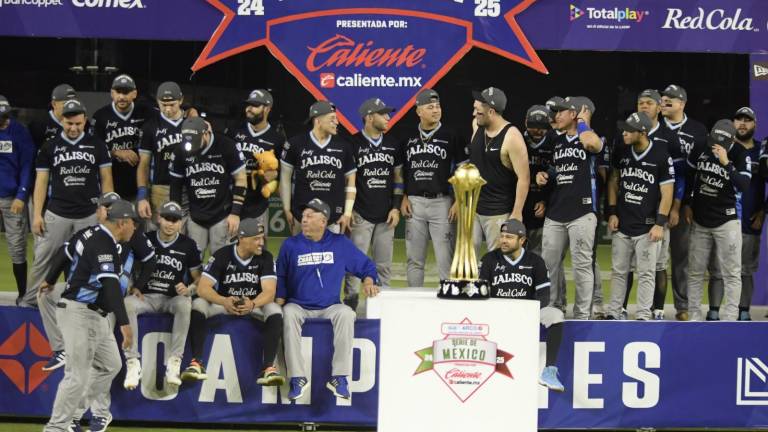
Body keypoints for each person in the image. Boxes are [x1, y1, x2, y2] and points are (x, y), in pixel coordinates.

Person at [43, 200, 137, 432]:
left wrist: (51, 278)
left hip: (97, 316)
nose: (135, 227)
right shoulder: (103, 243)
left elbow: (65, 252)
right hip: (79, 313)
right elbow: (111, 286)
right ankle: (56, 428)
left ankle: (73, 412)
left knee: (111, 365)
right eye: (133, 223)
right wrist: (124, 324)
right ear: (122, 223)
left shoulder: (92, 235)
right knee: (76, 376)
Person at [38, 192, 154, 373]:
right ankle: (61, 349)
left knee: (97, 362)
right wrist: (49, 280)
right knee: (46, 295)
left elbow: (150, 260)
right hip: (82, 294)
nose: (104, 211)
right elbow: (65, 252)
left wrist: (139, 285)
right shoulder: (90, 233)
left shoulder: (131, 234)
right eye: (103, 207)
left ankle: (131, 362)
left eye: (106, 207)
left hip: (109, 297)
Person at [276, 198, 380, 401]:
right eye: (303, 216)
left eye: (309, 216)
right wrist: (280, 301)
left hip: (330, 305)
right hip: (298, 305)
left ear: (323, 221)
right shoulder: (290, 245)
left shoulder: (339, 243)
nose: (304, 220)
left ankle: (340, 377)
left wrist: (368, 281)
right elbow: (280, 276)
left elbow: (367, 265)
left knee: (347, 314)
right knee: (288, 314)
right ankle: (297, 377)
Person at [21, 99, 114, 307]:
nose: (73, 128)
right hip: (57, 213)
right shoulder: (49, 146)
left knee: (88, 261)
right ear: (62, 120)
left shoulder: (97, 145)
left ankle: (81, 303)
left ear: (85, 121)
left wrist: (107, 208)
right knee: (43, 259)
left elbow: (107, 179)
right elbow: (42, 182)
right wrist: (37, 214)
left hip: (89, 214)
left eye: (78, 124)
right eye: (69, 123)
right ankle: (29, 303)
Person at [183, 218, 284, 386]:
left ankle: (268, 368)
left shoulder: (265, 257)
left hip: (253, 305)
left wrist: (252, 304)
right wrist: (224, 301)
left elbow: (269, 292)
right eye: (256, 238)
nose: (261, 243)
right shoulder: (222, 255)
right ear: (242, 238)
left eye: (262, 238)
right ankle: (196, 363)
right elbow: (203, 288)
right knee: (199, 304)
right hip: (225, 304)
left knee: (274, 309)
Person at [478, 219, 565, 392]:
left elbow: (544, 295)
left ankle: (548, 372)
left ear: (522, 240)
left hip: (528, 312)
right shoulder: (489, 259)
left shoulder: (535, 261)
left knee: (556, 315)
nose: (503, 240)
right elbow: (482, 293)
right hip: (496, 313)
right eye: (502, 236)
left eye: (509, 237)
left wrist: (526, 313)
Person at [123, 201, 202, 389]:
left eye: (175, 220)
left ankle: (175, 362)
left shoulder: (188, 245)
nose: (170, 224)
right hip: (146, 298)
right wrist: (133, 285)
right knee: (127, 303)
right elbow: (128, 264)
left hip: (171, 299)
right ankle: (132, 363)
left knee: (185, 304)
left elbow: (199, 279)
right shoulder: (144, 238)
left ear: (181, 223)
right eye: (167, 218)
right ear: (159, 218)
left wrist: (189, 289)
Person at [536, 97, 603, 320]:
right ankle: (552, 308)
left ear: (574, 114)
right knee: (549, 265)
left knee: (582, 265)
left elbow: (593, 144)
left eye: (560, 112)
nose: (555, 116)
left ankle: (582, 314)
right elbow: (557, 170)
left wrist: (584, 122)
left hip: (582, 212)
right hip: (556, 211)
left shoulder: (590, 137)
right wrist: (544, 175)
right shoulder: (556, 140)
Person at [606, 112, 674, 320]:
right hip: (623, 224)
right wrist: (612, 212)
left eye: (629, 130)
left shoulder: (661, 155)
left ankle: (644, 314)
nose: (624, 133)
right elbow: (613, 181)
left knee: (646, 273)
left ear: (642, 132)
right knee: (618, 272)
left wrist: (660, 223)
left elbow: (667, 192)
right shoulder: (622, 151)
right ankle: (614, 312)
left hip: (647, 227)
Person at [684, 120, 750, 321]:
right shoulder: (701, 145)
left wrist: (726, 163)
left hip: (727, 220)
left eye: (720, 142)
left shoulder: (740, 153)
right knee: (695, 271)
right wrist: (687, 203)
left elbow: (744, 184)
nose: (715, 144)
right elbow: (689, 176)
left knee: (731, 272)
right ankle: (694, 315)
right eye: (713, 140)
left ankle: (730, 318)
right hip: (700, 219)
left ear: (731, 140)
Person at [401, 89, 468, 286]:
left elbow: (463, 171)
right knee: (414, 259)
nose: (436, 110)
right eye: (430, 107)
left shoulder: (452, 135)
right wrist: (404, 196)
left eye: (438, 106)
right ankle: (414, 299)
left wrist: (458, 201)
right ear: (418, 111)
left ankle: (448, 300)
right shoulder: (408, 137)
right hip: (415, 202)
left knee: (445, 258)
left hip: (443, 203)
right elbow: (403, 170)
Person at [344, 97, 403, 312]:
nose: (388, 117)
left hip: (386, 215)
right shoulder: (352, 143)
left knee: (383, 267)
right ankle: (350, 307)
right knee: (353, 267)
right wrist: (349, 211)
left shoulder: (393, 144)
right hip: (361, 214)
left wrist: (396, 206)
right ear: (369, 117)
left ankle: (382, 310)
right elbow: (347, 181)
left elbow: (398, 178)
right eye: (383, 113)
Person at [708, 107, 764, 321]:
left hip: (749, 219)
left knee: (745, 269)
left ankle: (743, 312)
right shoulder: (722, 148)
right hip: (721, 218)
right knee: (717, 269)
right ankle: (714, 311)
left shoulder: (761, 150)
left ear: (754, 124)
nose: (742, 123)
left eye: (747, 120)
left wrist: (763, 210)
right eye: (738, 119)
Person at [659, 84, 708, 321]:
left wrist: (685, 204)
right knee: (653, 260)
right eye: (664, 98)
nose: (666, 101)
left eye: (672, 99)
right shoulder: (653, 126)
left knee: (681, 257)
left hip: (684, 201)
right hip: (653, 201)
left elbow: (696, 173)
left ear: (683, 103)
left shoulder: (698, 130)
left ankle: (683, 305)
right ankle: (653, 307)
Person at [169, 116, 247, 257]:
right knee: (192, 260)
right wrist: (176, 216)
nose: (191, 146)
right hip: (195, 216)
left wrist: (235, 212)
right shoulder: (180, 151)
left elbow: (241, 178)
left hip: (222, 215)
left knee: (221, 259)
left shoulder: (226, 145)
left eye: (195, 141)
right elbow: (176, 186)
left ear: (206, 133)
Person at [280, 100, 356, 235]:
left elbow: (351, 180)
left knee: (332, 256)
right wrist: (286, 208)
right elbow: (285, 178)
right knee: (302, 255)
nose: (337, 122)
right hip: (302, 216)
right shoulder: (295, 144)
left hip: (334, 219)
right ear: (318, 120)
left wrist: (348, 213)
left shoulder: (344, 146)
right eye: (332, 119)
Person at [470, 87, 529, 252]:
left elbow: (524, 178)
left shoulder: (512, 137)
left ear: (491, 112)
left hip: (498, 211)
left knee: (497, 260)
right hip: (472, 209)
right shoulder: (476, 125)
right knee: (467, 260)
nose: (474, 114)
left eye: (478, 111)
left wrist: (517, 212)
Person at [226, 89, 284, 233]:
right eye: (248, 105)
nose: (249, 109)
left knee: (257, 249)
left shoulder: (277, 139)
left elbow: (284, 172)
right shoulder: (234, 131)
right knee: (228, 250)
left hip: (258, 206)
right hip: (230, 202)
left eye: (255, 105)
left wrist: (275, 175)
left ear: (267, 109)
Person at [137, 81, 186, 227]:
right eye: (164, 104)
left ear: (181, 100)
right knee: (157, 233)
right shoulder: (150, 127)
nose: (168, 109)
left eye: (172, 104)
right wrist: (142, 195)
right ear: (157, 101)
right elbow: (143, 165)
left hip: (188, 188)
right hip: (160, 188)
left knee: (185, 236)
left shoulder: (191, 123)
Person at [0, 95, 34, 303]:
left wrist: (22, 194)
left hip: (13, 199)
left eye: (5, 116)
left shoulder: (19, 132)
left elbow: (27, 165)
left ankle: (22, 294)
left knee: (17, 247)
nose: (3, 120)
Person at [92, 74, 146, 202]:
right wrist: (115, 152)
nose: (121, 97)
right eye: (118, 92)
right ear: (112, 93)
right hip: (110, 186)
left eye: (126, 92)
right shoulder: (100, 116)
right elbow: (92, 151)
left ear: (134, 93)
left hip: (139, 188)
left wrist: (191, 112)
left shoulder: (146, 112)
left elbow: (169, 113)